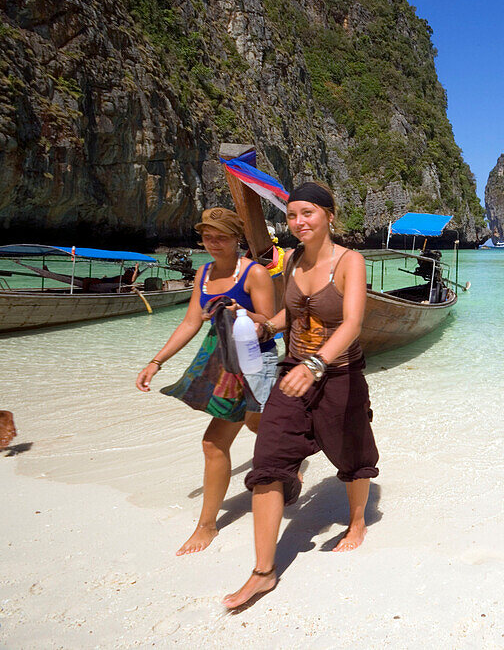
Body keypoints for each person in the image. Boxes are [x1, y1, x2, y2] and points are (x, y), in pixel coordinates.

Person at [223, 182, 377, 610]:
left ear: (329, 214)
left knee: (351, 454)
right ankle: (263, 571)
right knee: (269, 458)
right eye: (291, 216)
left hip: (340, 373)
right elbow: (290, 313)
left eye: (307, 213)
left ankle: (358, 522)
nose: (298, 223)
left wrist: (317, 365)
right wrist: (262, 325)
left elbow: (352, 324)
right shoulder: (289, 260)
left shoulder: (350, 262)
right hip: (293, 373)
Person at [136, 207, 278, 556]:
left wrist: (241, 312)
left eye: (222, 237)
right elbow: (189, 323)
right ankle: (207, 525)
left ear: (236, 239)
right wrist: (156, 362)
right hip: (223, 362)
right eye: (207, 236)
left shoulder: (255, 273)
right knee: (213, 443)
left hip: (256, 360)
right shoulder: (203, 273)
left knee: (262, 427)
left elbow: (271, 320)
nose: (213, 243)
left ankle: (289, 455)